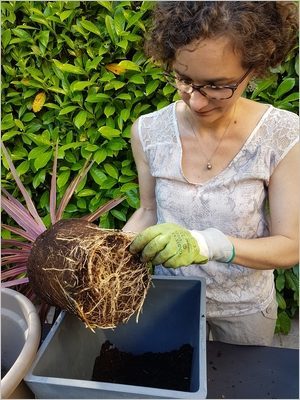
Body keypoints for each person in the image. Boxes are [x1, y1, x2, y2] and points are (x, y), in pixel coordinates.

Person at [123, 1, 299, 346]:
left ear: (256, 68)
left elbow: (291, 246)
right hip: (172, 301)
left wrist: (210, 244)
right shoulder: (148, 132)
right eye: (184, 79)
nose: (198, 102)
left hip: (245, 308)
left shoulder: (282, 136)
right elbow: (147, 212)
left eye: (218, 86)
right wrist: (107, 255)